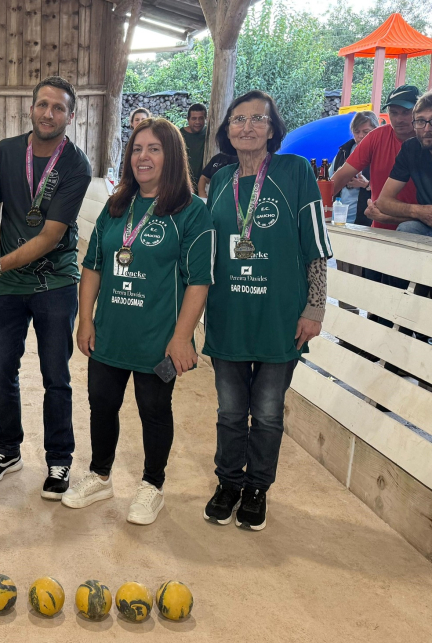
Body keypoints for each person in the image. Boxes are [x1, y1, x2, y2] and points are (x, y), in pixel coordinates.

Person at [0, 76, 92, 498]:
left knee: (55, 375)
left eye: (58, 108)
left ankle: (59, 460)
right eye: (42, 104)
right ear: (30, 108)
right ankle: (7, 449)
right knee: (0, 370)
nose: (49, 113)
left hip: (55, 281)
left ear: (70, 115)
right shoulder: (6, 152)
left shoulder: (76, 164)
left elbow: (48, 236)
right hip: (7, 281)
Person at [61, 118, 215, 525]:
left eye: (154, 149)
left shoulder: (192, 212)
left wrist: (182, 338)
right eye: (136, 149)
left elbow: (199, 282)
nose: (143, 157)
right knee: (102, 405)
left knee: (153, 409)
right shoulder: (117, 205)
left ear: (172, 156)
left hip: (158, 337)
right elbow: (92, 266)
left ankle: (152, 485)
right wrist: (86, 320)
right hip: (111, 330)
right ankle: (99, 475)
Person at [201, 91, 332, 532]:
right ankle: (228, 483)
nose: (247, 127)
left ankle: (257, 488)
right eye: (238, 119)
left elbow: (315, 248)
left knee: (270, 412)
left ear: (273, 128)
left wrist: (315, 307)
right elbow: (209, 254)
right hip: (228, 314)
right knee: (231, 412)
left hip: (279, 316)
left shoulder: (295, 171)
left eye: (258, 118)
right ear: (227, 131)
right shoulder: (219, 182)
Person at [331, 85, 420, 230]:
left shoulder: (425, 141)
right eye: (393, 112)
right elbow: (341, 175)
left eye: (405, 112)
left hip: (420, 232)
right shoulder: (376, 137)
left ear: (419, 111)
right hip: (379, 228)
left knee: (409, 227)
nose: (399, 119)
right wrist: (312, 207)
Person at [375, 91, 432, 237]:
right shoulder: (410, 148)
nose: (427, 129)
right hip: (426, 227)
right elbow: (383, 201)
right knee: (408, 228)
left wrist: (388, 218)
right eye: (420, 121)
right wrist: (418, 211)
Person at [331, 111, 378, 226]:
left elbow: (390, 189)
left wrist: (366, 185)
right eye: (357, 132)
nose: (361, 136)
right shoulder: (343, 152)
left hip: (366, 220)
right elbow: (329, 181)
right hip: (339, 217)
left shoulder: (381, 153)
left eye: (366, 132)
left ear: (377, 131)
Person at [180, 103, 208, 184]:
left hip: (204, 183)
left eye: (201, 118)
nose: (197, 122)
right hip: (183, 183)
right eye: (194, 118)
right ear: (188, 119)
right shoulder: (180, 135)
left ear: (206, 119)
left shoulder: (210, 133)